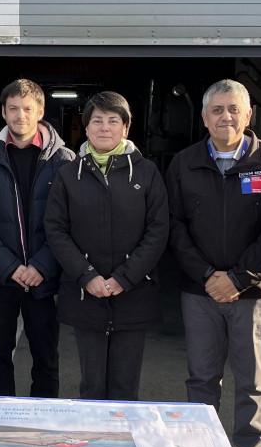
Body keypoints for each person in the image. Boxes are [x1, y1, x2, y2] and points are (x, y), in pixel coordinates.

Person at [166, 78, 261, 447]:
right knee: (201, 379)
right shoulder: (183, 162)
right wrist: (207, 276)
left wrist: (238, 278)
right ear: (204, 117)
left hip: (254, 294)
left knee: (253, 382)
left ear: (248, 114)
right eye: (216, 110)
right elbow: (173, 227)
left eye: (234, 109)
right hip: (200, 293)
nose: (225, 116)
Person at [44, 91, 168, 401]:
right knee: (92, 384)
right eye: (96, 120)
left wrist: (124, 278)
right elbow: (56, 229)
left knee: (126, 387)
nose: (104, 128)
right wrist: (87, 276)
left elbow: (158, 230)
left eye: (113, 121)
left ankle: (123, 446)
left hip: (134, 292)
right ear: (85, 128)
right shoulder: (68, 174)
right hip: (86, 293)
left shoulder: (146, 172)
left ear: (126, 127)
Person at [0, 79, 75, 397]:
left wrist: (42, 266)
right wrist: (10, 267)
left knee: (46, 358)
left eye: (27, 109)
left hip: (45, 278)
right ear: (3, 112)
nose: (20, 116)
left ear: (40, 111)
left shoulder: (65, 161)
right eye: (13, 109)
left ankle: (42, 424)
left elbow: (70, 222)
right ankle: (0, 423)